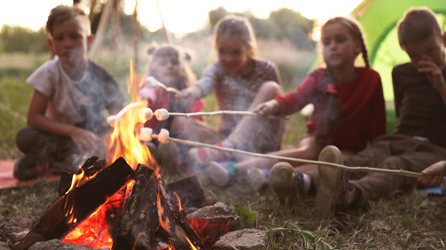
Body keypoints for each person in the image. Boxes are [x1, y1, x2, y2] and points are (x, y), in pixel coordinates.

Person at [218, 16, 387, 194]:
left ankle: (273, 177)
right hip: (316, 138)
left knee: (338, 162)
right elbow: (296, 98)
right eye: (327, 42)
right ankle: (235, 169)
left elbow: (378, 127)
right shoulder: (319, 77)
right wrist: (274, 105)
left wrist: (379, 152)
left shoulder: (371, 79)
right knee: (311, 152)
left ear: (357, 47)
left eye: (340, 40)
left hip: (349, 149)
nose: (333, 46)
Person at [314, 7, 446, 217]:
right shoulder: (401, 72)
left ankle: (351, 194)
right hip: (399, 138)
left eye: (431, 51)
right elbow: (403, 113)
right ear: (404, 49)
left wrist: (440, 86)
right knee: (366, 157)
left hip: (433, 148)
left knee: (395, 166)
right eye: (414, 55)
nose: (424, 60)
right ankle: (305, 183)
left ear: (443, 38)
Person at [14, 5, 126, 181]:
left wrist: (107, 138)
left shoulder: (101, 75)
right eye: (59, 38)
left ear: (88, 40)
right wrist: (73, 132)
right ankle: (72, 163)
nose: (67, 43)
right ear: (51, 44)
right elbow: (34, 118)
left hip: (93, 137)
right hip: (60, 137)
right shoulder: (50, 72)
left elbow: (120, 115)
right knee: (25, 136)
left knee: (132, 144)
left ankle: (61, 165)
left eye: (75, 37)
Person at [177, 15, 283, 186]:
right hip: (227, 137)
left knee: (271, 88)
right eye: (222, 52)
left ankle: (225, 154)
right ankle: (232, 160)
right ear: (216, 48)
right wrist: (192, 91)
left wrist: (275, 145)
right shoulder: (218, 69)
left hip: (261, 140)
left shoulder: (266, 69)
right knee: (179, 122)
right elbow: (205, 82)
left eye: (236, 52)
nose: (228, 58)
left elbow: (280, 107)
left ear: (248, 48)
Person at [138, 44, 210, 175]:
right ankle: (153, 158)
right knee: (151, 143)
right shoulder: (154, 85)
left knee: (181, 147)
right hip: (156, 132)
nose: (169, 66)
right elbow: (149, 91)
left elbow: (195, 114)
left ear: (182, 68)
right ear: (153, 69)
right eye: (163, 64)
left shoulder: (187, 89)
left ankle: (173, 163)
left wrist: (198, 127)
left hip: (179, 136)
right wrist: (144, 97)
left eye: (174, 63)